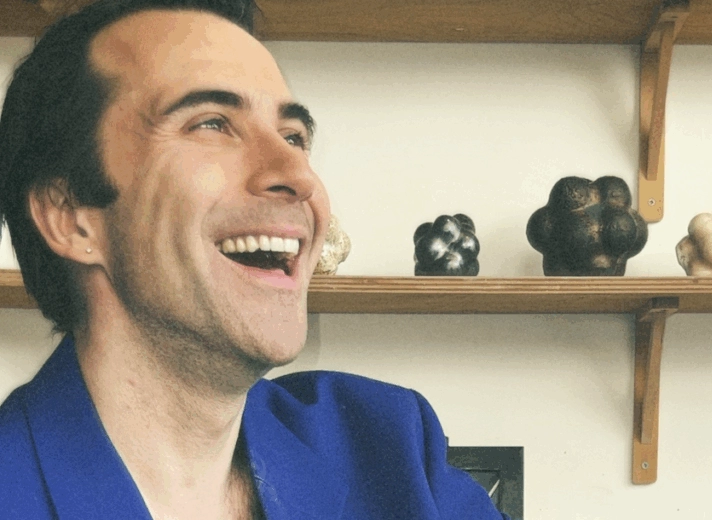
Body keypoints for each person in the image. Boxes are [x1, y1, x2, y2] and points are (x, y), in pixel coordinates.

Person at [0, 1, 506, 518]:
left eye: (294, 137)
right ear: (69, 216)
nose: (300, 175)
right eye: (212, 124)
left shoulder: (388, 449)